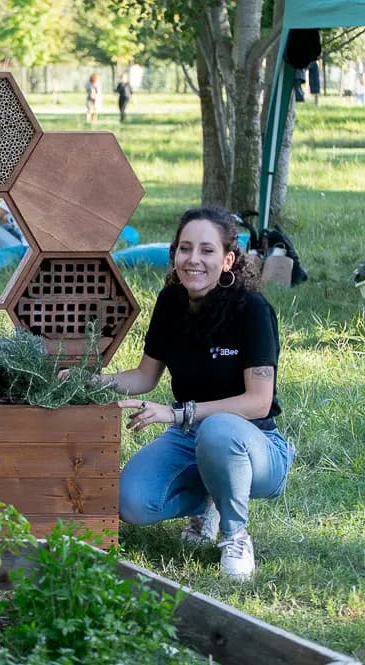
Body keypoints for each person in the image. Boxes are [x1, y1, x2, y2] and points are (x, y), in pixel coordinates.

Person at [75, 206, 294, 581]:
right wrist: (85, 383)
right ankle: (210, 498)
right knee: (132, 502)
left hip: (253, 445)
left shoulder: (251, 309)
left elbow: (258, 401)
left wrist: (177, 414)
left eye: (207, 251)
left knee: (219, 430)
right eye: (185, 248)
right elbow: (145, 376)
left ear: (228, 259)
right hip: (189, 437)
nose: (193, 260)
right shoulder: (171, 302)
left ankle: (235, 533)